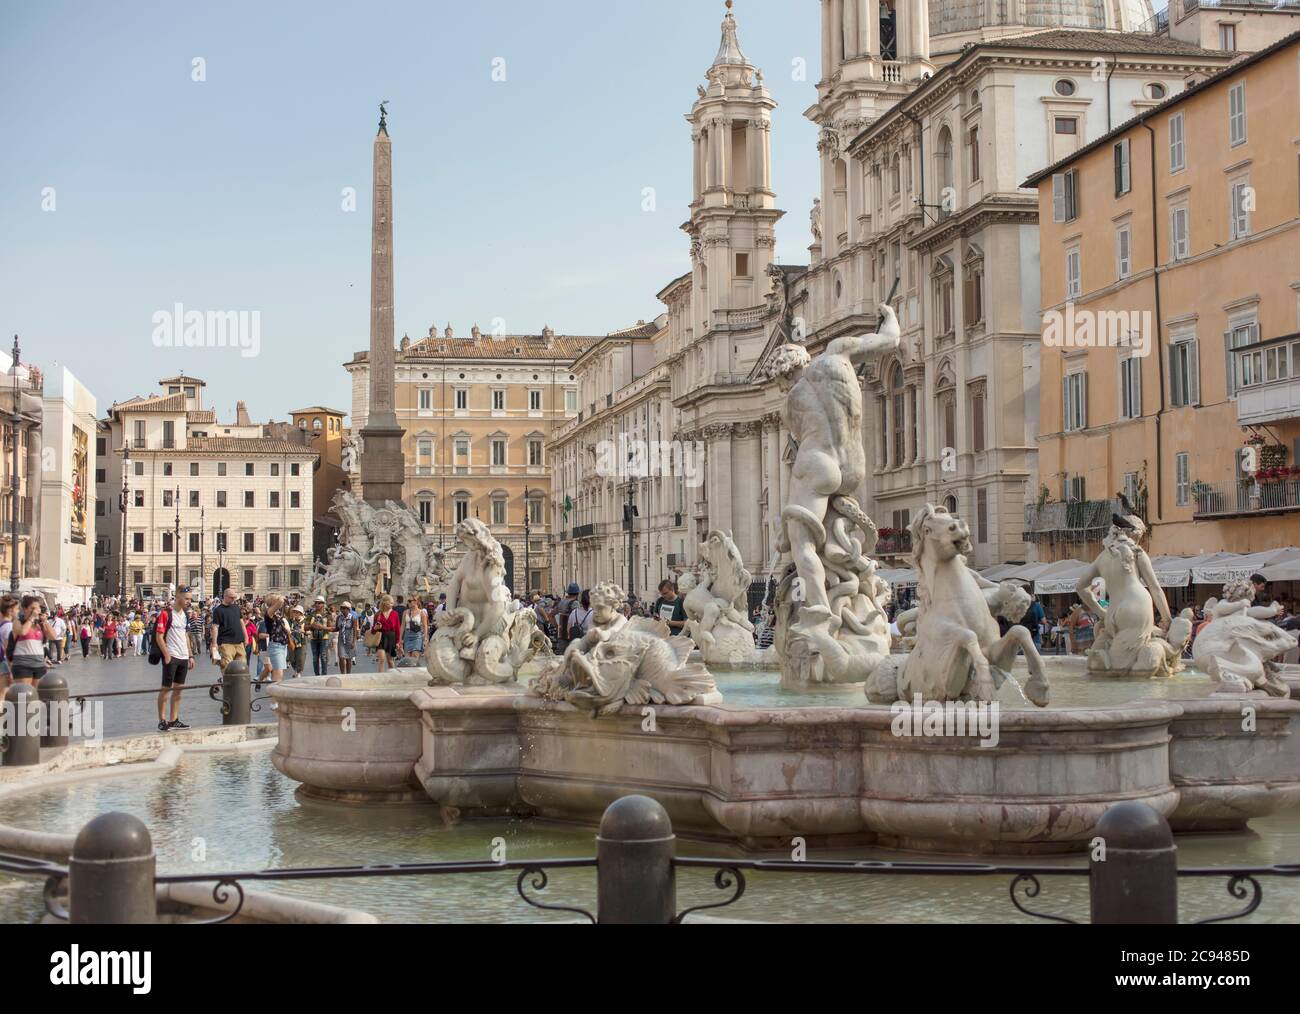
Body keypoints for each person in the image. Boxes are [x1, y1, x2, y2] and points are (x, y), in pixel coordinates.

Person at [155, 587, 194, 732]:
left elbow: (185, 636)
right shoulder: (166, 614)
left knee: (179, 690)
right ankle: (162, 720)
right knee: (166, 689)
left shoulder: (184, 615)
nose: (189, 601)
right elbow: (159, 636)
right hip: (171, 656)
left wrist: (190, 655)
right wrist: (166, 655)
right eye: (186, 598)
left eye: (190, 598)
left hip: (183, 656)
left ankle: (174, 719)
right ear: (177, 596)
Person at [9, 596, 54, 685]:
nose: (35, 611)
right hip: (22, 664)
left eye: (37, 608)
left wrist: (46, 621)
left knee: (35, 695)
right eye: (32, 608)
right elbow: (23, 632)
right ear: (25, 609)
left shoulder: (40, 624)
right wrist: (32, 618)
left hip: (39, 664)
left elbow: (53, 637)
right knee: (22, 694)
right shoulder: (18, 622)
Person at [209, 586, 246, 670]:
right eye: (231, 597)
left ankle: (237, 683)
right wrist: (214, 643)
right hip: (226, 643)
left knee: (242, 668)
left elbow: (241, 623)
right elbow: (215, 627)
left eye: (235, 597)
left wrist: (246, 637)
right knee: (227, 667)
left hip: (239, 642)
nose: (234, 599)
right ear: (225, 597)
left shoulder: (236, 607)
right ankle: (227, 683)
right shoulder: (218, 610)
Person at [258, 595, 291, 684]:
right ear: (272, 603)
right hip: (276, 646)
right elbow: (280, 601)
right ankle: (274, 696)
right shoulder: (269, 614)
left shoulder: (278, 616)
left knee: (279, 673)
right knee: (278, 675)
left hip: (282, 646)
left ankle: (275, 695)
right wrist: (281, 597)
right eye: (275, 599)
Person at [373, 595, 400, 673]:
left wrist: (398, 642)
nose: (392, 605)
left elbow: (397, 629)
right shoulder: (378, 614)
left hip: (391, 638)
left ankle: (393, 678)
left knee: (390, 661)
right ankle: (381, 678)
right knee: (381, 659)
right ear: (385, 603)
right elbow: (373, 630)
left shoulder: (395, 614)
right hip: (381, 637)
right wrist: (375, 628)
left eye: (393, 603)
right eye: (391, 603)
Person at [308, 596, 332, 676]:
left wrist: (322, 627)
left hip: (324, 638)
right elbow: (304, 626)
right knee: (315, 658)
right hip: (313, 638)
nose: (317, 604)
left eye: (319, 603)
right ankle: (317, 675)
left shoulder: (327, 614)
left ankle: (324, 675)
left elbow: (331, 627)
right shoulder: (311, 614)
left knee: (323, 657)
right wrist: (312, 626)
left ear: (323, 604)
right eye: (316, 603)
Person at [553, 583, 581, 651]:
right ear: (577, 594)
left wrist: (557, 626)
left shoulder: (561, 602)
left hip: (561, 634)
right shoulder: (575, 603)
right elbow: (576, 617)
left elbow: (551, 615)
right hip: (571, 635)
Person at [335, 600, 359, 675]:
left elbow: (355, 630)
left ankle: (348, 674)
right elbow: (336, 628)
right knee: (341, 657)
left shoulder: (352, 618)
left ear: (349, 609)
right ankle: (342, 673)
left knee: (349, 658)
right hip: (341, 639)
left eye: (345, 608)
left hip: (350, 638)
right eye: (342, 608)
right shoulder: (339, 617)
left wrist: (354, 641)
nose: (343, 610)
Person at [287, 604, 307, 678]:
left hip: (302, 641)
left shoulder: (305, 621)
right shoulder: (291, 621)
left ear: (301, 613)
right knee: (292, 658)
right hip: (292, 641)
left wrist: (304, 631)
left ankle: (298, 672)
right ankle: (295, 669)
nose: (295, 614)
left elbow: (310, 631)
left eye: (297, 612)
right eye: (294, 612)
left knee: (301, 657)